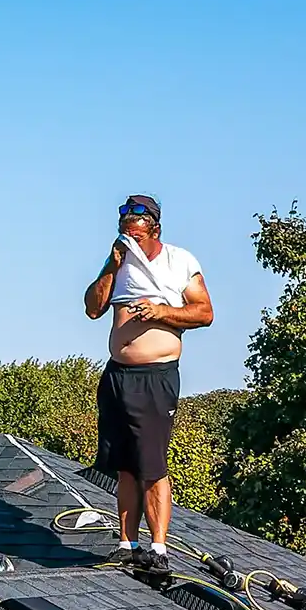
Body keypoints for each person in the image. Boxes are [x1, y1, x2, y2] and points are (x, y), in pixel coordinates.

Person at [81, 194, 212, 563]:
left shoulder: (179, 261)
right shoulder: (118, 263)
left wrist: (160, 311)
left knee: (151, 466)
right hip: (117, 375)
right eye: (126, 234)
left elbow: (204, 313)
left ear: (154, 229)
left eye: (137, 234)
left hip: (155, 376)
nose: (131, 241)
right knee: (124, 466)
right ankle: (128, 545)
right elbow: (92, 309)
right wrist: (111, 265)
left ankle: (158, 549)